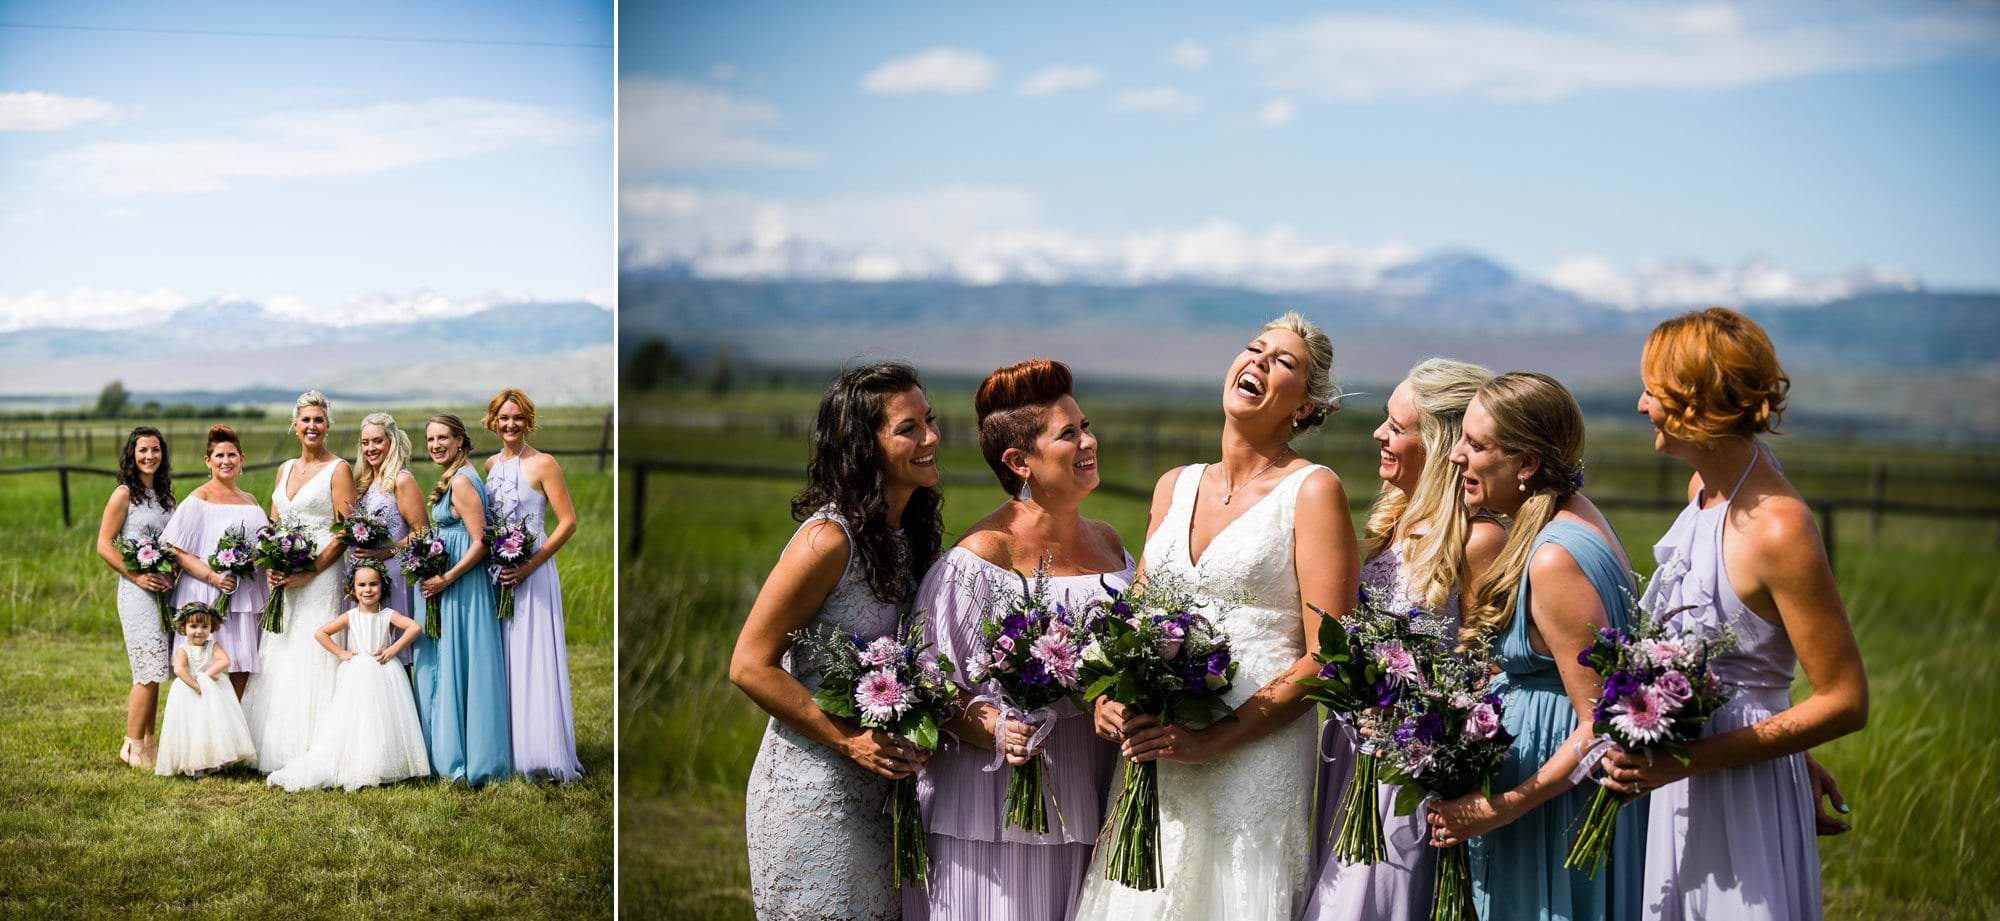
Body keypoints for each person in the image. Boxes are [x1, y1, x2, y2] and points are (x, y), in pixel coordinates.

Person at [1077, 312, 1360, 921]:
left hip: (1254, 748)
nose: (1258, 362)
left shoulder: (1313, 491)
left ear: (1305, 408)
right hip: (1159, 747)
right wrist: (1108, 696)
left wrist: (1217, 739)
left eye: (1283, 362)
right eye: (1255, 349)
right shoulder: (1174, 485)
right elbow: (1138, 624)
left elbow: (1329, 655)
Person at [1599, 307, 1869, 920]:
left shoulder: (1779, 525)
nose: (1641, 405)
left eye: (1654, 391)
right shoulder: (1701, 493)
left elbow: (1846, 699)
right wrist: (1794, 755)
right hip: (1685, 781)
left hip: (1738, 793)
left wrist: (1687, 762)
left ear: (1696, 403)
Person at [905, 359, 1133, 921]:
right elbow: (931, 686)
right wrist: (996, 728)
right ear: (1018, 461)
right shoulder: (979, 561)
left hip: (1094, 793)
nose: (1089, 441)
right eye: (1068, 434)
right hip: (997, 811)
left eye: (1086, 425)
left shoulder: (1109, 545)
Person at [1425, 372, 1646, 920]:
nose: (1456, 456)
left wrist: (1499, 809)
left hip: (1553, 803)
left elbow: (1601, 724)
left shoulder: (1554, 558)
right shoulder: (1579, 514)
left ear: (1525, 464)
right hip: (1545, 787)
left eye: (1476, 445)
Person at [730, 362, 943, 920]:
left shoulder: (910, 537)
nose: (931, 438)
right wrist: (850, 741)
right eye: (909, 428)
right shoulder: (828, 540)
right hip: (814, 792)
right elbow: (749, 665)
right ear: (862, 445)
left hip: (887, 794)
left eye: (930, 421)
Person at [1302, 358, 1505, 920]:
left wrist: (1414, 719)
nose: (1379, 434)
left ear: (1439, 444)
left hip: (1410, 769)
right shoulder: (1394, 519)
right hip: (1351, 755)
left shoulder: (1479, 539)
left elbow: (1490, 673)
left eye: (1396, 426)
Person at [242, 390, 354, 773]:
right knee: (281, 647)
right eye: (305, 420)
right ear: (294, 424)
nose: (312, 426)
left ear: (328, 426)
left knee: (312, 648)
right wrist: (273, 562)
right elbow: (275, 524)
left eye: (319, 420)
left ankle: (312, 744)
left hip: (321, 575)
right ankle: (270, 743)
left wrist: (312, 569)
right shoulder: (285, 468)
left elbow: (345, 531)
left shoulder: (339, 469)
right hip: (284, 577)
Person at [483, 388, 583, 782]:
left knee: (532, 652)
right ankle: (507, 744)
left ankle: (540, 750)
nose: (510, 425)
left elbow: (568, 522)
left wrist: (530, 565)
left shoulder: (544, 464)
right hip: (499, 571)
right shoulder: (490, 464)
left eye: (518, 418)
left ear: (528, 422)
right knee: (504, 655)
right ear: (493, 421)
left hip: (534, 569)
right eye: (504, 418)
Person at [411, 413, 512, 785]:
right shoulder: (455, 476)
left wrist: (447, 577)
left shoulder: (464, 481)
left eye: (442, 438)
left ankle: (461, 758)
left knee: (454, 664)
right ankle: (444, 750)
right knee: (443, 661)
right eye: (430, 439)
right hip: (445, 583)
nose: (435, 445)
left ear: (459, 441)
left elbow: (482, 541)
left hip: (459, 586)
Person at [268, 560, 430, 792]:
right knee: (358, 718)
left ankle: (383, 763)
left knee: (382, 718)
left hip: (385, 671)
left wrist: (393, 650)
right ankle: (358, 761)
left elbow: (414, 627)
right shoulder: (351, 616)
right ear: (352, 589)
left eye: (373, 584)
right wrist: (341, 653)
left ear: (382, 587)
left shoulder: (388, 614)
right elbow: (321, 633)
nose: (368, 589)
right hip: (357, 673)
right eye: (362, 585)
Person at [161, 426, 270, 699]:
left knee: (241, 661)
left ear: (242, 459)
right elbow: (177, 551)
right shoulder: (198, 499)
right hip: (206, 591)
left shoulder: (251, 501)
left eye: (232, 455)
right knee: (206, 663)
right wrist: (214, 578)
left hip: (244, 596)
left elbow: (262, 549)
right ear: (207, 461)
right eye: (219, 455)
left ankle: (234, 724)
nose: (226, 461)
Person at [94, 426, 178, 768]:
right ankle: (131, 747)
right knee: (145, 669)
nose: (149, 456)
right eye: (143, 450)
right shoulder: (123, 494)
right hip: (137, 592)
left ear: (163, 454)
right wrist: (137, 575)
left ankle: (148, 742)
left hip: (164, 590)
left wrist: (173, 572)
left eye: (155, 450)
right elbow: (103, 544)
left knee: (157, 670)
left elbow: (174, 544)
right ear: (132, 454)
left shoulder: (165, 497)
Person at [350, 412, 427, 664]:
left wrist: (386, 552)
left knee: (391, 652)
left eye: (377, 441)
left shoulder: (401, 480)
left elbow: (422, 532)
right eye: (365, 442)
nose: (370, 448)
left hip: (393, 575)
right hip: (363, 578)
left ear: (391, 442)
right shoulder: (363, 482)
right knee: (366, 650)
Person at [154, 603, 257, 778]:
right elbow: (179, 670)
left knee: (213, 724)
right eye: (193, 626)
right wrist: (196, 685)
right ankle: (195, 765)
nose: (199, 631)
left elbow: (225, 661)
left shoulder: (213, 646)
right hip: (189, 690)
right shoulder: (183, 649)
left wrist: (206, 676)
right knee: (193, 726)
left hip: (213, 691)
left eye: (204, 626)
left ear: (212, 627)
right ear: (184, 627)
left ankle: (214, 762)